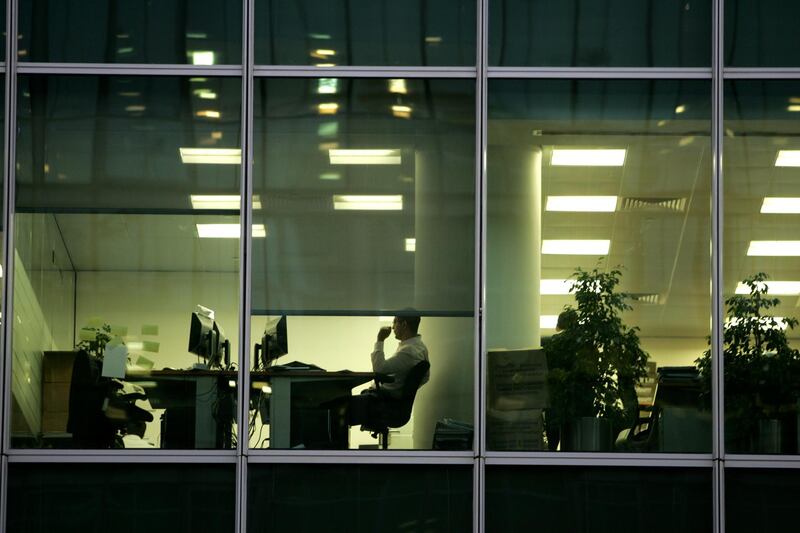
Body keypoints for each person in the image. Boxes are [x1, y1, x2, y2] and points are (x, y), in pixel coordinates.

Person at [346, 314, 430, 426]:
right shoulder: (420, 347)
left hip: (384, 402)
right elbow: (425, 377)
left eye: (395, 322)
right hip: (388, 401)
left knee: (340, 408)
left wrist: (380, 339)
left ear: (404, 324)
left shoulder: (409, 351)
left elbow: (379, 368)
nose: (393, 327)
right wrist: (401, 387)